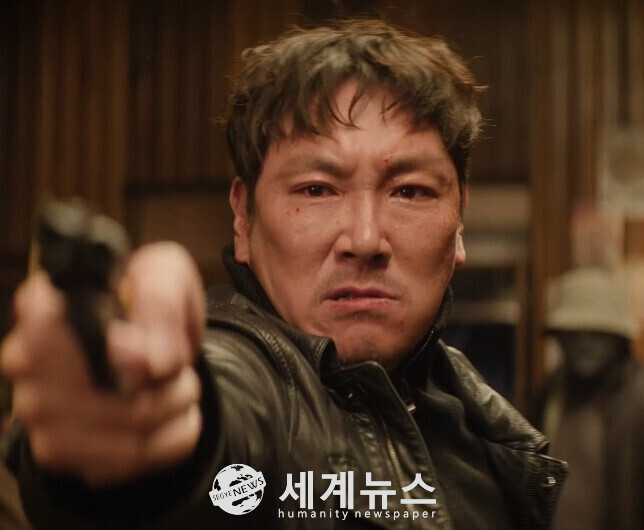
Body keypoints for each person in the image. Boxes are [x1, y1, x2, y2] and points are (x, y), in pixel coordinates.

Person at [1, 19, 566, 529]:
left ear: (459, 218)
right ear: (243, 218)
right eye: (316, 189)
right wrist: (138, 418)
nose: (364, 239)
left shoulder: (485, 433)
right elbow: (217, 432)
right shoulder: (246, 384)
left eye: (410, 191)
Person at [535, 267, 642, 530]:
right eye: (573, 332)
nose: (584, 343)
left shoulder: (638, 398)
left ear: (618, 338)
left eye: (596, 332)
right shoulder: (551, 393)